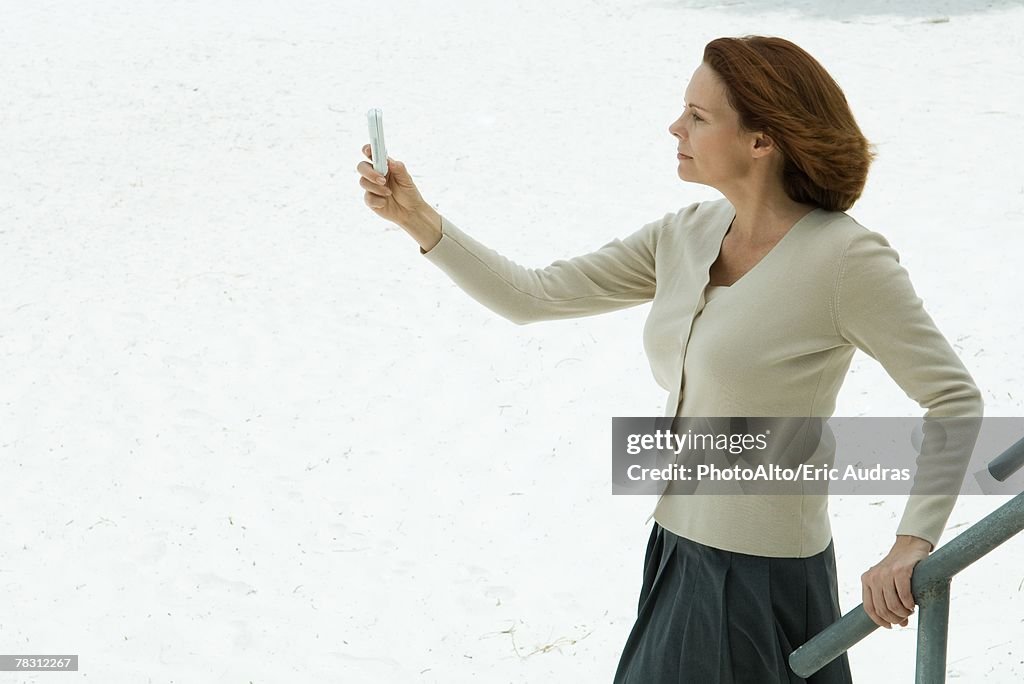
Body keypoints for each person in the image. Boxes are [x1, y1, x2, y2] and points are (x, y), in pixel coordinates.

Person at [356, 35, 983, 683]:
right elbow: (532, 295)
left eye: (698, 116)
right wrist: (420, 220)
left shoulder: (847, 260)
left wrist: (912, 542)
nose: (675, 127)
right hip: (676, 552)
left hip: (763, 575)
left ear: (761, 141)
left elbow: (954, 399)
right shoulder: (685, 234)